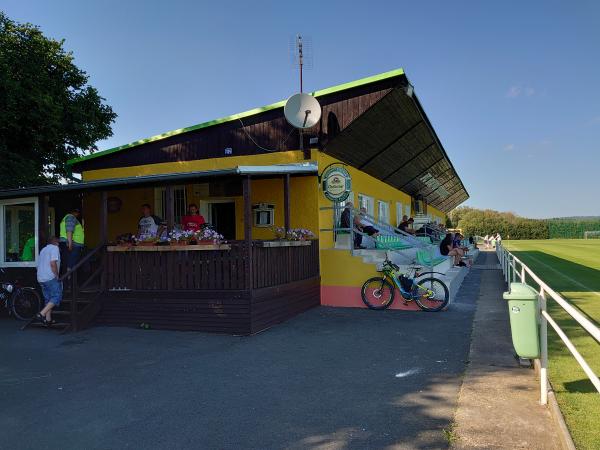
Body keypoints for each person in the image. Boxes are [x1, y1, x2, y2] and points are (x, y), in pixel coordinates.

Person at [36, 236, 62, 325]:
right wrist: (56, 275)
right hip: (49, 277)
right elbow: (52, 263)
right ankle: (41, 314)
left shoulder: (43, 250)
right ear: (55, 242)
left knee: (48, 299)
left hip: (40, 277)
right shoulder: (55, 248)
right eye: (58, 241)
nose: (59, 243)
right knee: (57, 296)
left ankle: (48, 320)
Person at [59, 208, 85, 274]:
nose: (78, 215)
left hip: (69, 242)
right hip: (72, 243)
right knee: (70, 263)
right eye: (77, 213)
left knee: (69, 262)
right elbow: (69, 230)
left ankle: (68, 276)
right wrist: (70, 243)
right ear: (74, 213)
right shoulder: (71, 217)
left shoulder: (66, 218)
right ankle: (68, 276)